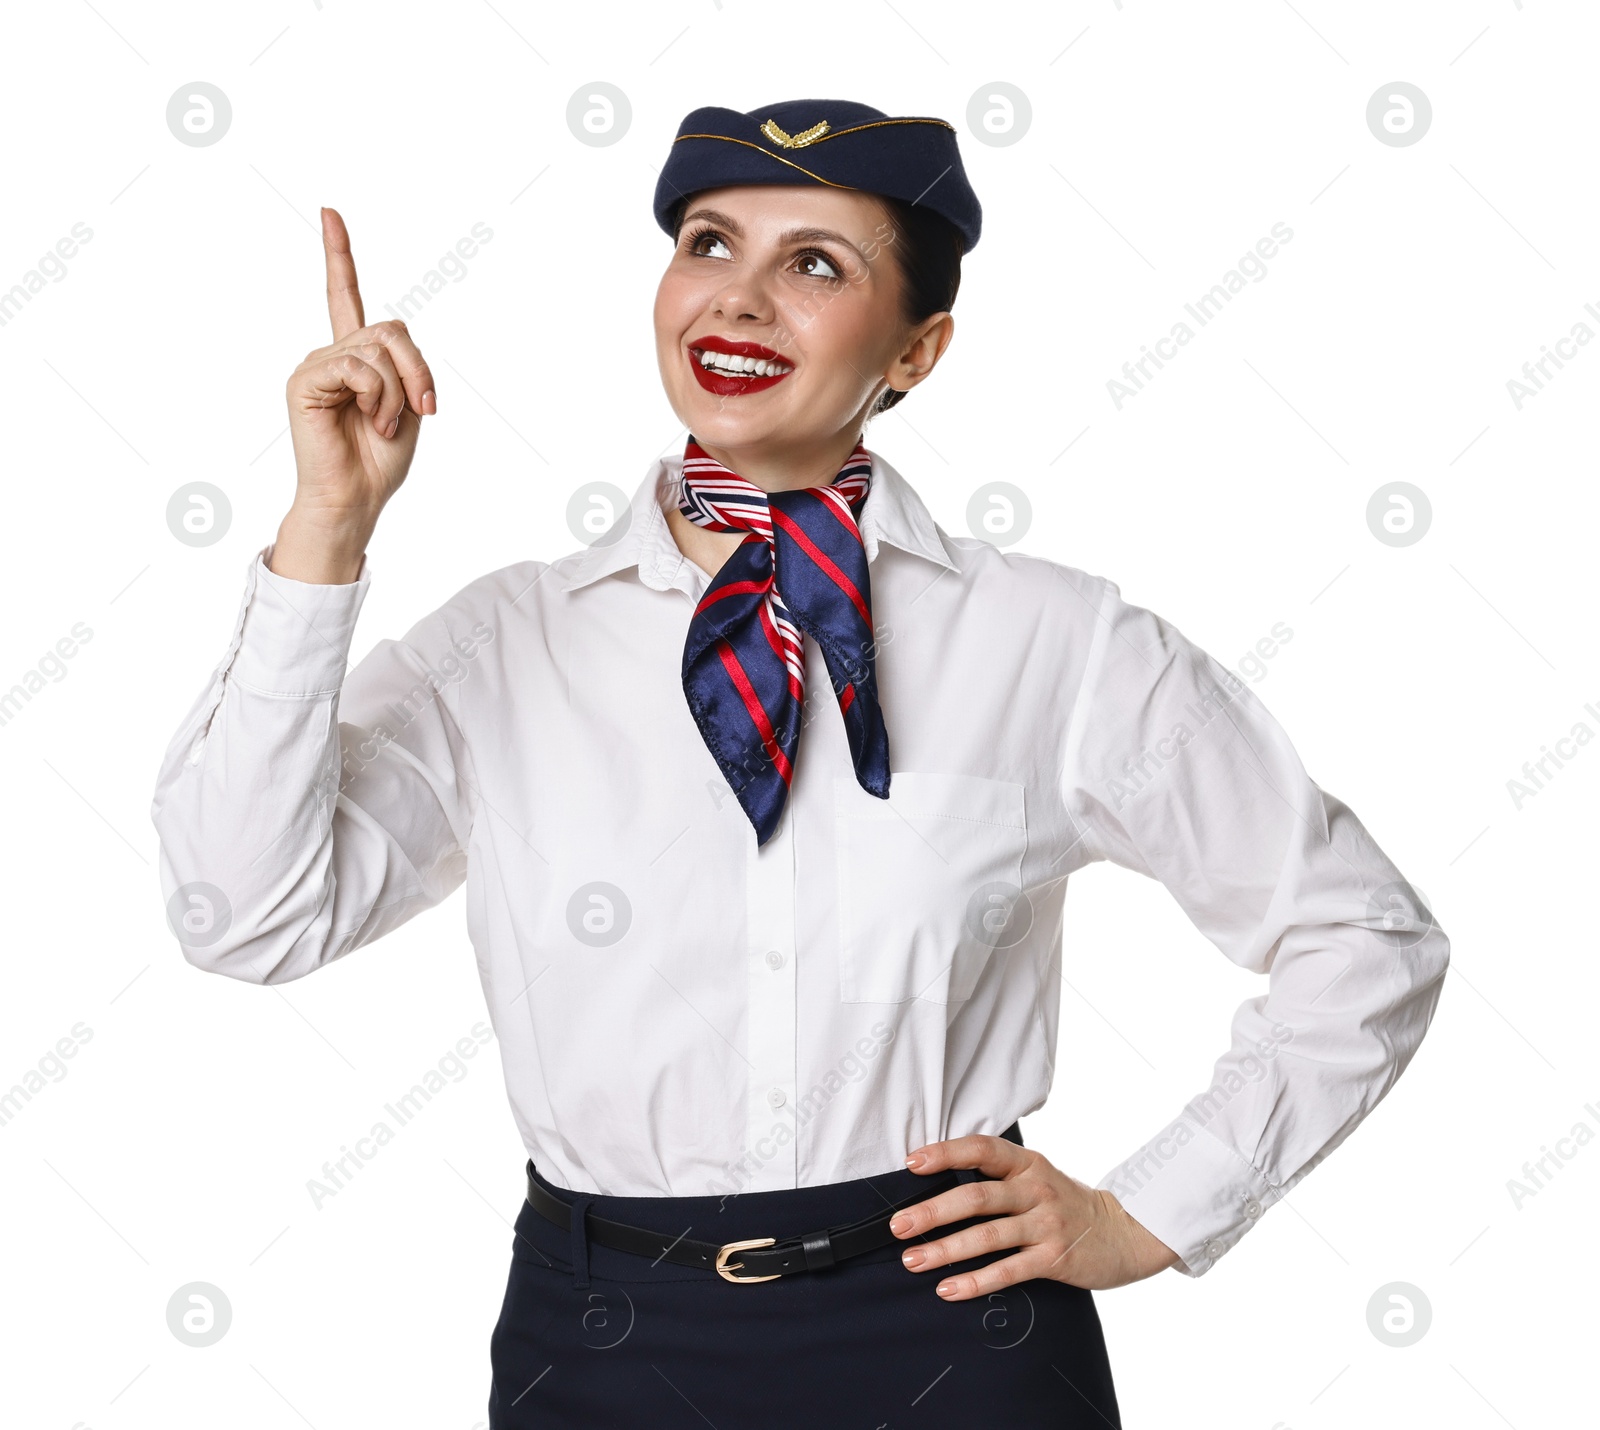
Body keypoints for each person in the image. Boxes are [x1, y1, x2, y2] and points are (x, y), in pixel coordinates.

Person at [150, 98, 1450, 1427]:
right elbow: (244, 914)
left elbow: (1366, 933)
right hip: (607, 1335)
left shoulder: (1056, 642)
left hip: (961, 1330)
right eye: (711, 243)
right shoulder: (507, 644)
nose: (742, 300)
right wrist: (325, 531)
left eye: (815, 264)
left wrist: (1151, 1211)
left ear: (921, 345)